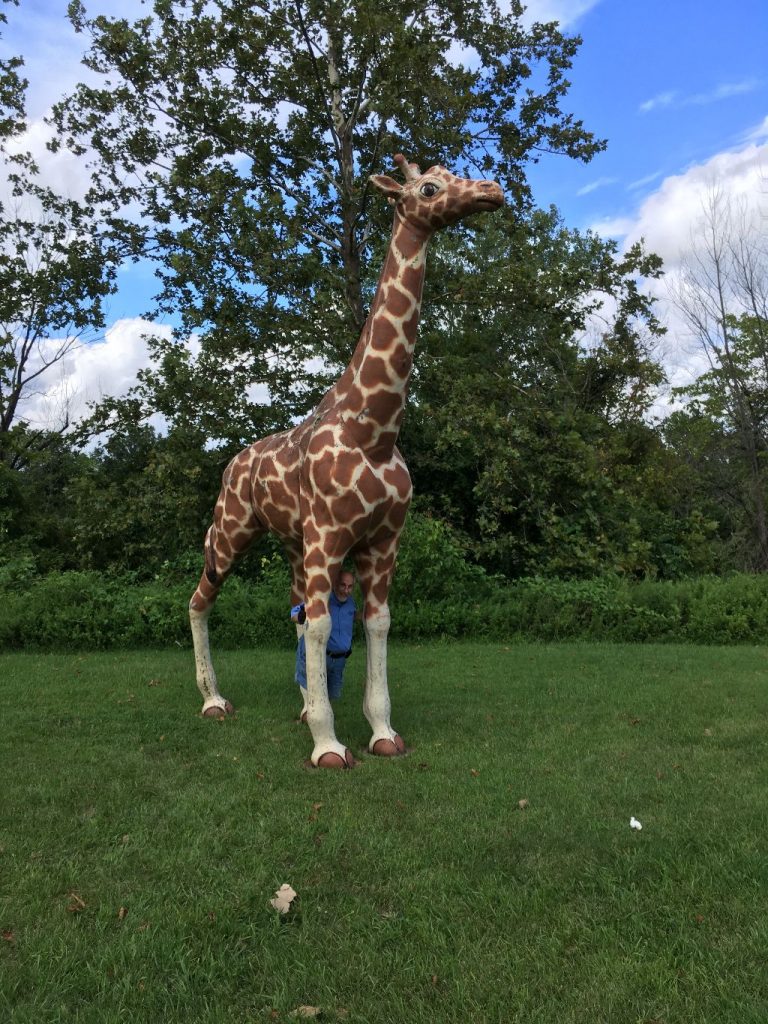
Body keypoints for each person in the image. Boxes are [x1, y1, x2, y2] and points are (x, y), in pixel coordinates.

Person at [291, 570, 358, 715]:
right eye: (342, 585)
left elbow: (352, 617)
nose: (346, 590)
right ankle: (312, 716)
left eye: (350, 586)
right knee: (314, 690)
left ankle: (323, 717)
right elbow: (294, 614)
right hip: (321, 655)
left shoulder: (351, 604)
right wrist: (302, 615)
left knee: (332, 694)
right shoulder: (322, 600)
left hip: (340, 659)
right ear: (334, 584)